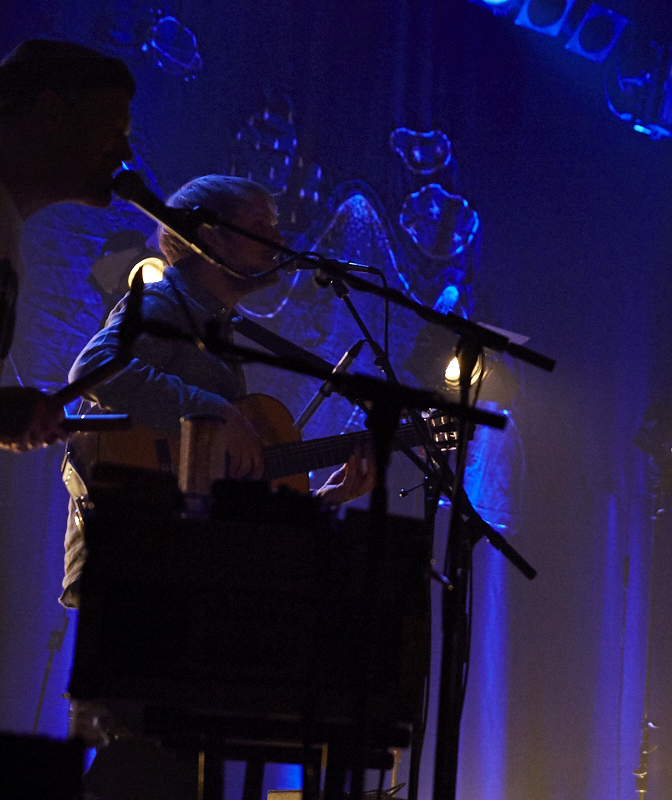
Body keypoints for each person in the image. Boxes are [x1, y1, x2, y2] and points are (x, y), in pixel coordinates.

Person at [60, 174, 375, 800]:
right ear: (208, 237)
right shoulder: (164, 300)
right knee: (135, 768)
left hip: (175, 572)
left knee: (166, 771)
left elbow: (217, 485)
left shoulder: (215, 324)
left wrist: (322, 500)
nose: (279, 243)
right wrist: (214, 410)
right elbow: (94, 370)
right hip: (137, 568)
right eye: (262, 230)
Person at [0, 38, 135, 452]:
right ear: (50, 110)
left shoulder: (10, 242)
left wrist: (9, 415)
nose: (124, 153)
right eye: (113, 129)